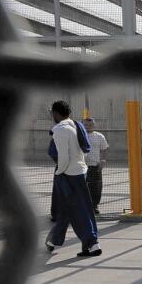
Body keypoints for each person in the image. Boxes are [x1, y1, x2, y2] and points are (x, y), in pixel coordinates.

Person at [45, 100, 101, 258]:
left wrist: (59, 172)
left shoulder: (60, 129)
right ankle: (53, 241)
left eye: (52, 113)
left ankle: (92, 243)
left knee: (78, 210)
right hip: (80, 171)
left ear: (56, 113)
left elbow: (63, 156)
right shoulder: (77, 125)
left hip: (69, 174)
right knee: (69, 208)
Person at [83, 117, 108, 215]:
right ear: (83, 125)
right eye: (86, 125)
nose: (88, 127)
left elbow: (105, 149)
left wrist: (103, 160)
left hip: (95, 166)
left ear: (94, 125)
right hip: (82, 167)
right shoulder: (79, 136)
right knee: (83, 187)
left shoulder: (99, 136)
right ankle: (83, 206)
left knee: (96, 187)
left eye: (90, 125)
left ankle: (94, 206)